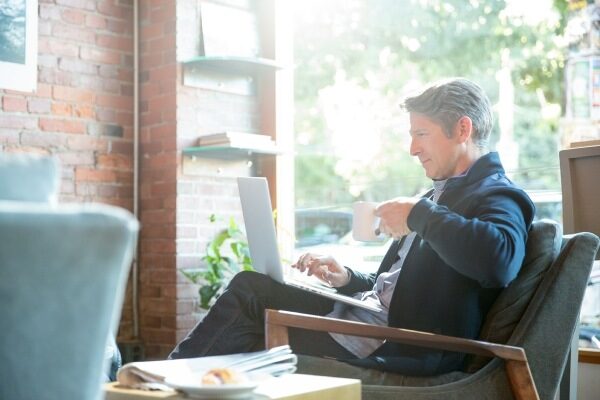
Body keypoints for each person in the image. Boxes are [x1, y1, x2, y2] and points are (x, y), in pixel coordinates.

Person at [169, 78, 535, 376]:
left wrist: (418, 214)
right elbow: (393, 286)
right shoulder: (438, 196)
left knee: (252, 297)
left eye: (421, 134)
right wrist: (346, 278)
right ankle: (175, 384)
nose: (412, 148)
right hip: (366, 319)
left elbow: (498, 261)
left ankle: (162, 385)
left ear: (462, 129)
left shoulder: (498, 194)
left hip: (394, 340)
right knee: (254, 290)